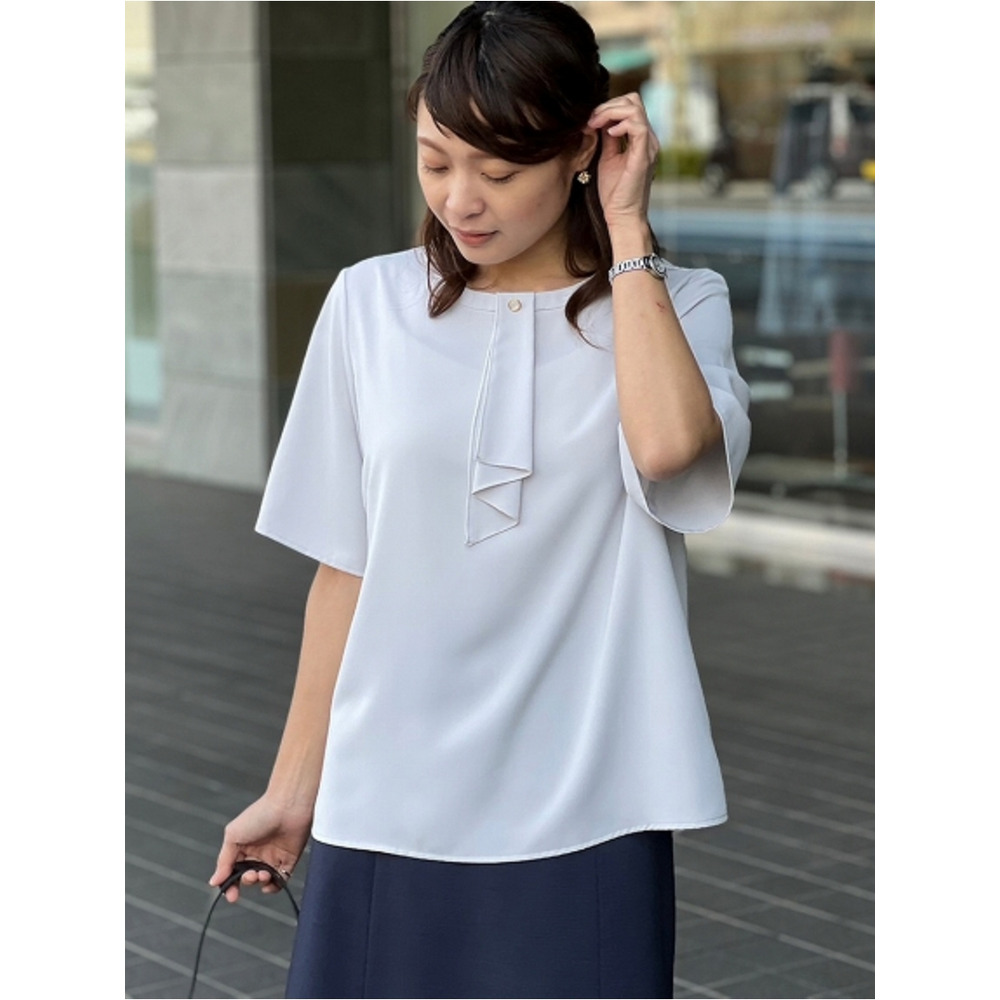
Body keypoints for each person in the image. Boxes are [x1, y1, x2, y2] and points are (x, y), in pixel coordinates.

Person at [210, 3, 750, 997]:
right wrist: (293, 790)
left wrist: (627, 232)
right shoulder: (369, 303)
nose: (462, 200)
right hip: (386, 792)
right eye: (436, 161)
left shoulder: (679, 304)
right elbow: (347, 565)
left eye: (498, 172)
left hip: (592, 796)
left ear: (583, 149)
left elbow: (671, 450)